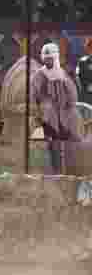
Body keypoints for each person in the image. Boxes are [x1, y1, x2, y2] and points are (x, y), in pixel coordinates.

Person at [34, 43, 81, 175]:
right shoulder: (40, 75)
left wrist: (69, 104)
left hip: (65, 115)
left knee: (68, 142)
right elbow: (36, 94)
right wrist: (44, 105)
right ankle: (56, 171)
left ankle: (70, 170)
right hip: (48, 116)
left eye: (51, 58)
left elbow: (72, 94)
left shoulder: (62, 73)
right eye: (47, 58)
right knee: (52, 144)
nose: (49, 61)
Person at [76, 38, 92, 106]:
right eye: (90, 47)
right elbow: (78, 77)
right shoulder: (82, 61)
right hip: (86, 95)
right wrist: (83, 89)